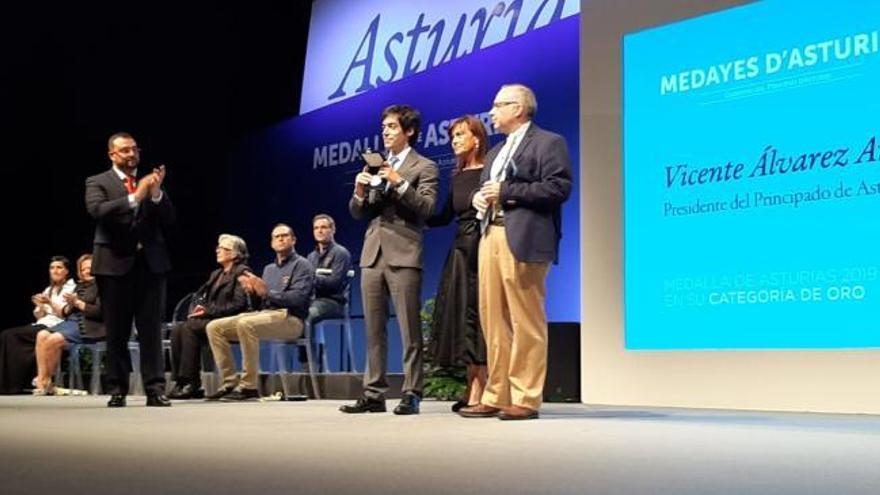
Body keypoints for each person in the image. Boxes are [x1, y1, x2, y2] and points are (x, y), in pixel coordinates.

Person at [459, 84, 573, 421]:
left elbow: (559, 187)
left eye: (497, 106)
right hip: (490, 234)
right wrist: (481, 198)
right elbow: (489, 189)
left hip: (524, 237)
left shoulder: (548, 142)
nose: (491, 113)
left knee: (526, 319)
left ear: (518, 108)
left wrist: (506, 191)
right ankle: (497, 393)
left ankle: (526, 397)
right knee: (492, 319)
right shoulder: (494, 153)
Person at [341, 104, 439, 415]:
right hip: (372, 255)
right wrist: (359, 192)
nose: (386, 132)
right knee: (373, 329)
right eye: (384, 127)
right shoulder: (375, 167)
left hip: (404, 252)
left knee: (409, 329)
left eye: (393, 127)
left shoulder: (425, 166)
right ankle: (373, 393)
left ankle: (412, 392)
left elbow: (426, 208)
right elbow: (360, 212)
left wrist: (399, 182)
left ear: (409, 131)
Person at [85, 132, 176, 408]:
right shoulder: (97, 181)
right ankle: (117, 388)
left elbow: (170, 220)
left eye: (135, 149)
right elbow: (98, 211)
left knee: (151, 330)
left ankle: (155, 389)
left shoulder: (150, 182)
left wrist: (157, 193)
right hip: (113, 264)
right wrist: (136, 197)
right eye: (125, 150)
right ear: (112, 154)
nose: (132, 154)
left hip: (150, 264)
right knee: (117, 331)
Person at [205, 224, 314, 401]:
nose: (280, 239)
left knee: (246, 324)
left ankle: (249, 386)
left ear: (293, 240)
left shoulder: (303, 265)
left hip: (291, 320)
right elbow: (263, 301)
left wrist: (267, 293)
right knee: (214, 327)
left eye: (284, 235)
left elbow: (298, 299)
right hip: (266, 315)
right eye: (276, 237)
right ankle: (229, 382)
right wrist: (251, 292)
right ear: (271, 243)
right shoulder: (269, 269)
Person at [426, 115, 489, 412]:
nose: (454, 140)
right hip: (460, 250)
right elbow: (442, 216)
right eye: (452, 135)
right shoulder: (458, 175)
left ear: (476, 138)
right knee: (464, 316)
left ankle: (482, 386)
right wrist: (409, 209)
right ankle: (471, 383)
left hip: (482, 245)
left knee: (478, 316)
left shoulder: (488, 171)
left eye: (460, 134)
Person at [167, 234, 251, 400]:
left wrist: (208, 310)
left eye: (224, 248)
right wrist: (197, 308)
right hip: (211, 319)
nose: (218, 250)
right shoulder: (216, 274)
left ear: (235, 254)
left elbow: (238, 305)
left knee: (190, 327)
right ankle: (182, 381)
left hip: (229, 320)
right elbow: (199, 296)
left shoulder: (242, 272)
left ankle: (191, 382)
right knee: (179, 328)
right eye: (218, 247)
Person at [0, 256, 75, 394]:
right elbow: (40, 316)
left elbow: (65, 314)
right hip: (42, 324)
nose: (55, 271)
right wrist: (40, 306)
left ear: (67, 271)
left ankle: (17, 384)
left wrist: (50, 303)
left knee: (11, 336)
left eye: (59, 267)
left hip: (57, 327)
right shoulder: (48, 289)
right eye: (52, 268)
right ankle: (11, 383)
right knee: (7, 335)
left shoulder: (71, 289)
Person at [32, 254, 104, 395]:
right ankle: (44, 381)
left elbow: (101, 312)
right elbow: (65, 312)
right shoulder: (80, 286)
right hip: (72, 322)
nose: (86, 272)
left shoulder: (104, 286)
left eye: (90, 268)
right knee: (42, 334)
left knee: (54, 339)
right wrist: (56, 304)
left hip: (91, 325)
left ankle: (43, 382)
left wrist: (77, 303)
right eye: (83, 269)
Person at [302, 213, 352, 370]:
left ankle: (310, 369)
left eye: (324, 227)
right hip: (314, 300)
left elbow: (335, 283)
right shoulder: (311, 256)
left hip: (334, 303)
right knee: (296, 314)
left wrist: (312, 280)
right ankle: (306, 364)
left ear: (333, 230)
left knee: (306, 316)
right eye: (316, 228)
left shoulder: (341, 253)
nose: (320, 231)